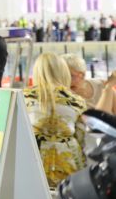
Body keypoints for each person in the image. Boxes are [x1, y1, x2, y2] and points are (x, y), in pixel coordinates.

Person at [24, 53, 87, 188]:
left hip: (33, 162)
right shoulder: (76, 101)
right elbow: (82, 137)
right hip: (68, 162)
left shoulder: (25, 97)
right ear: (63, 72)